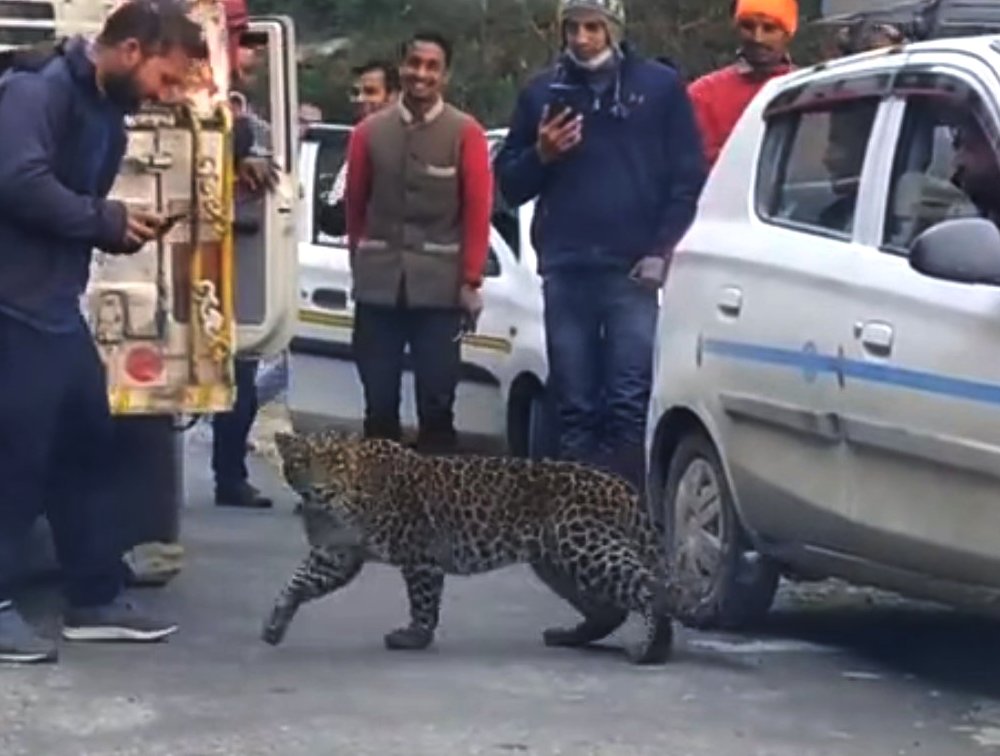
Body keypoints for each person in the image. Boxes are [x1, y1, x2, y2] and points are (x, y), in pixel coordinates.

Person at [0, 0, 205, 664]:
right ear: (131, 51)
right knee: (15, 461)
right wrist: (102, 219)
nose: (165, 97)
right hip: (10, 304)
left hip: (55, 306)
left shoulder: (107, 114)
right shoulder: (37, 90)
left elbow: (77, 210)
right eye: (166, 80)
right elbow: (18, 182)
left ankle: (92, 595)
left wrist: (121, 230)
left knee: (88, 441)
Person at [495, 0, 705, 490]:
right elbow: (507, 184)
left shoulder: (658, 88)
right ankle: (578, 515)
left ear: (614, 29)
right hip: (566, 267)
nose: (583, 38)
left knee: (629, 399)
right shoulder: (542, 92)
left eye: (594, 27)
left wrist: (661, 249)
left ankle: (624, 512)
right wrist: (541, 154)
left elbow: (688, 177)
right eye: (573, 27)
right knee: (575, 401)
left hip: (632, 268)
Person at [345, 32, 491, 454]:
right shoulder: (368, 133)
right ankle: (379, 507)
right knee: (379, 405)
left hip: (440, 291)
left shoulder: (466, 133)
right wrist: (364, 259)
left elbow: (477, 212)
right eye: (414, 63)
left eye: (431, 66)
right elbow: (356, 204)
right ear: (401, 67)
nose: (421, 74)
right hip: (378, 287)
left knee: (438, 403)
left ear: (445, 75)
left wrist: (470, 279)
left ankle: (435, 505)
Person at [211, 0, 278, 510]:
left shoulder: (241, 117)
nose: (245, 56)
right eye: (237, 38)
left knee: (242, 374)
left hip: (225, 258)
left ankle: (229, 474)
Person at [687, 0, 798, 169]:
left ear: (787, 33)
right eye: (748, 26)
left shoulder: (808, 89)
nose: (757, 38)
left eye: (769, 28)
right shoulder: (703, 94)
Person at [320, 60, 401, 241]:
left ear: (394, 97)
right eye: (356, 93)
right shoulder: (360, 143)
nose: (360, 99)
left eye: (370, 92)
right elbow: (334, 220)